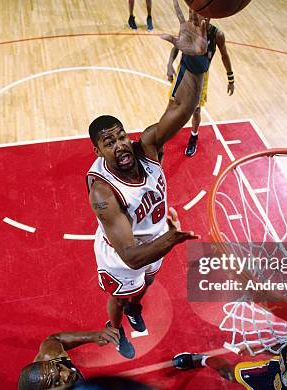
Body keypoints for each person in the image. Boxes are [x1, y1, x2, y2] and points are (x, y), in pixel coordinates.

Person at [87, 0, 208, 359]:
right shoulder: (103, 192)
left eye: (121, 136)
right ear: (98, 152)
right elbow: (131, 256)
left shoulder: (147, 148)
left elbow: (181, 109)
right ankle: (115, 328)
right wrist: (171, 239)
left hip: (153, 240)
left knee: (148, 284)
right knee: (121, 296)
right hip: (123, 255)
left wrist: (196, 61)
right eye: (109, 143)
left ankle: (136, 305)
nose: (121, 145)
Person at [166, 9, 234, 157]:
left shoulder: (217, 34)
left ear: (208, 15)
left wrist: (231, 78)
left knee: (196, 110)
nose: (193, 15)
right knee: (172, 104)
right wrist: (169, 65)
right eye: (191, 12)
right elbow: (176, 46)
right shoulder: (189, 27)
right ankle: (166, 131)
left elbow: (225, 56)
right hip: (183, 70)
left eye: (196, 13)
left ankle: (193, 136)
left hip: (201, 75)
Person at [18, 327, 120, 390]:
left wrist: (94, 336)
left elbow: (55, 339)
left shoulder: (51, 358)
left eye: (58, 367)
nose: (67, 374)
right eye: (57, 382)